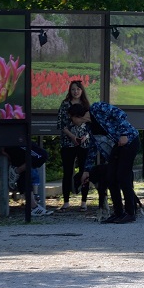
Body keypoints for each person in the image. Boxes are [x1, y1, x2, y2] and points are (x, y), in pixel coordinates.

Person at [68, 100, 141, 223]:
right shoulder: (89, 127)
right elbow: (92, 148)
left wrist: (124, 134)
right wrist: (86, 170)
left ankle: (130, 212)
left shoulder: (97, 108)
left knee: (123, 177)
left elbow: (120, 113)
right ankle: (118, 213)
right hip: (117, 147)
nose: (71, 122)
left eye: (71, 118)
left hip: (130, 141)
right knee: (110, 177)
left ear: (77, 116)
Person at [57, 79, 92, 211]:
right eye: (73, 89)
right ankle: (66, 201)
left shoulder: (86, 104)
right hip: (68, 142)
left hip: (84, 142)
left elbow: (92, 124)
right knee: (67, 172)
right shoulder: (65, 104)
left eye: (77, 89)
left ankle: (84, 201)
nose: (75, 91)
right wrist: (72, 137)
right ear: (69, 91)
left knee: (84, 171)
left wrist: (86, 136)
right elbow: (61, 124)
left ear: (81, 90)